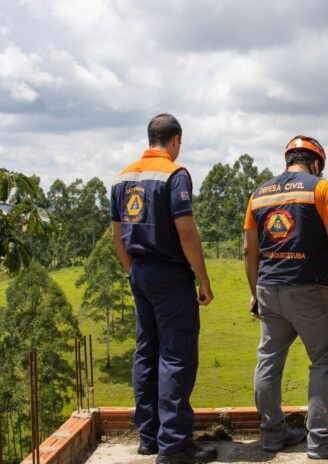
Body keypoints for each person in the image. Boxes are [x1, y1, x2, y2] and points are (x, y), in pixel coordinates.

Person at [243, 135, 328, 460]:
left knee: (268, 360)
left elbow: (248, 251)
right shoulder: (321, 188)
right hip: (308, 289)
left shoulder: (259, 194)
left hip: (268, 289)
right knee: (324, 360)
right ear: (316, 163)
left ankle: (272, 434)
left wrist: (254, 293)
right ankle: (322, 441)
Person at [110, 114, 216, 464]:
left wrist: (132, 273)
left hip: (139, 271)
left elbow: (117, 236)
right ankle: (174, 446)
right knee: (176, 355)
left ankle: (149, 437)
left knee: (147, 352)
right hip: (170, 275)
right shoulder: (175, 174)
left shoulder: (122, 177)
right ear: (175, 140)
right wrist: (202, 277)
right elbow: (186, 231)